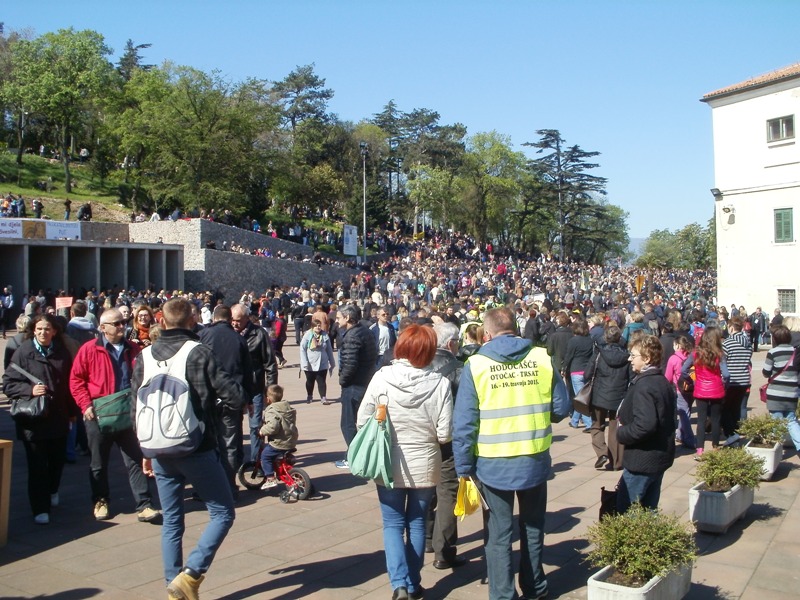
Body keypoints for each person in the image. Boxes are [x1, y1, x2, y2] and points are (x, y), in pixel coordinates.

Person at [453, 308, 569, 600]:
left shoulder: (476, 365)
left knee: (498, 536)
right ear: (516, 330)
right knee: (532, 528)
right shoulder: (541, 358)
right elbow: (561, 408)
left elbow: (465, 422)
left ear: (487, 335)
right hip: (533, 458)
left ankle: (503, 594)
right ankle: (535, 587)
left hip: (493, 463)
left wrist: (463, 466)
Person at [134, 298, 245, 600]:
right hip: (196, 445)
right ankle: (191, 574)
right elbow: (233, 394)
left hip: (157, 447)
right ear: (192, 320)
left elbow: (136, 402)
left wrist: (145, 450)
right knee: (222, 512)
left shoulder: (144, 355)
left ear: (163, 321)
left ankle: (173, 584)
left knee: (172, 519)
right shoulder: (198, 352)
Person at [357, 324, 453, 600]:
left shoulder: (381, 378)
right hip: (424, 462)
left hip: (388, 462)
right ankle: (413, 584)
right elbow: (445, 433)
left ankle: (399, 584)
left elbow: (363, 419)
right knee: (417, 523)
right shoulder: (440, 383)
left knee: (392, 523)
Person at [69, 308, 160, 522]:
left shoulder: (134, 348)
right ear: (103, 328)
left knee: (136, 461)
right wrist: (85, 405)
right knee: (98, 463)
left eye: (123, 322)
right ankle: (101, 500)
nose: (122, 326)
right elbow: (76, 380)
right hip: (99, 414)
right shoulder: (89, 349)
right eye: (116, 324)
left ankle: (144, 504)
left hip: (129, 413)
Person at [2, 314, 77, 524]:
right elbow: (8, 383)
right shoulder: (24, 352)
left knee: (56, 462)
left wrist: (72, 412)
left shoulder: (62, 352)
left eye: (47, 329)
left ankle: (52, 489)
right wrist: (29, 390)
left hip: (58, 417)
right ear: (33, 331)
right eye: (39, 329)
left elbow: (69, 386)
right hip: (33, 421)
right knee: (36, 466)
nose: (43, 333)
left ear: (54, 331)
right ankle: (39, 507)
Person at [615, 335, 676, 512]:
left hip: (643, 460)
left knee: (628, 512)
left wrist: (621, 433)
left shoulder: (646, 385)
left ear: (647, 358)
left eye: (633, 356)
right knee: (648, 511)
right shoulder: (661, 381)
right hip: (657, 457)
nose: (629, 359)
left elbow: (645, 425)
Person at [199, 305, 253, 497]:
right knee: (229, 444)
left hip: (207, 398)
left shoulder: (204, 336)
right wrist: (249, 399)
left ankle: (206, 487)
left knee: (207, 444)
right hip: (232, 398)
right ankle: (229, 487)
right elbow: (248, 372)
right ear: (230, 319)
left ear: (213, 318)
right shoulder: (239, 339)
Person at [426, 322, 465, 570]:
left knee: (425, 490)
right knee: (447, 493)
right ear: (451, 344)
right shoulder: (459, 369)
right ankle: (443, 550)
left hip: (422, 438)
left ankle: (428, 539)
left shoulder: (420, 365)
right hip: (448, 438)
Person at [230, 303, 278, 465]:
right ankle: (236, 459)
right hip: (235, 387)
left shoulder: (258, 334)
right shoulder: (229, 333)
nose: (234, 323)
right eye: (232, 320)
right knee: (234, 425)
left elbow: (270, 363)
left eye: (238, 320)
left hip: (255, 386)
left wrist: (270, 391)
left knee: (255, 425)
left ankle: (256, 460)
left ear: (246, 318)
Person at [334, 304, 377, 469]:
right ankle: (360, 455)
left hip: (354, 385)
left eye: (339, 318)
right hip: (365, 382)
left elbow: (350, 364)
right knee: (360, 423)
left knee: (348, 423)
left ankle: (354, 458)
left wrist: (343, 380)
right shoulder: (365, 331)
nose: (337, 321)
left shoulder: (352, 336)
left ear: (347, 318)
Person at [584, 324, 631, 470]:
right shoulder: (627, 356)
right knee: (614, 427)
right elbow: (631, 377)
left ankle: (602, 452)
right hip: (618, 395)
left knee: (597, 425)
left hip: (600, 395)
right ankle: (616, 461)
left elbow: (587, 374)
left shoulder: (599, 353)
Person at [682, 327, 728, 458]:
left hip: (700, 388)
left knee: (701, 420)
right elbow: (726, 374)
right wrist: (725, 385)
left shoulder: (696, 353)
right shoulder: (719, 353)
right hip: (716, 389)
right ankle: (715, 446)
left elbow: (684, 369)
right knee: (715, 419)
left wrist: (691, 382)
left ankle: (700, 449)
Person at [762, 325, 800, 453]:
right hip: (792, 392)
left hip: (776, 393)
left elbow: (766, 372)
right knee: (791, 420)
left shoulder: (773, 352)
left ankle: (776, 451)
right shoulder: (796, 352)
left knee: (776, 423)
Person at [258, 384, 298, 489]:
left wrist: (262, 431)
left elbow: (273, 427)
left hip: (279, 442)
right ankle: (287, 464)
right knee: (279, 455)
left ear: (268, 399)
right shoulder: (287, 407)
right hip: (291, 440)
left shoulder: (271, 411)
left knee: (265, 456)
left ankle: (270, 478)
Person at [721, 316, 753, 439]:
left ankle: (730, 434)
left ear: (731, 327)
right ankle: (735, 431)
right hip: (744, 379)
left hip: (731, 379)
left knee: (725, 408)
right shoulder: (747, 343)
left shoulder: (728, 343)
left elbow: (723, 361)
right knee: (736, 408)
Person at [664, 334, 696, 449]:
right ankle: (680, 434)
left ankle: (689, 438)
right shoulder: (690, 356)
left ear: (677, 345)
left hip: (679, 388)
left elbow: (668, 377)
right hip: (691, 387)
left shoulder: (673, 358)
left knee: (683, 414)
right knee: (687, 411)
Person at [563, 318, 595, 430]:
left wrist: (564, 367)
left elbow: (569, 356)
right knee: (581, 396)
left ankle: (589, 423)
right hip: (586, 370)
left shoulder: (573, 341)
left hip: (576, 370)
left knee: (580, 399)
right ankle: (574, 421)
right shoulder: (590, 340)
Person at [299, 316, 336, 404]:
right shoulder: (307, 335)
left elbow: (329, 350)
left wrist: (332, 362)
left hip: (322, 362)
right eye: (316, 326)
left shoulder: (324, 335)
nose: (318, 327)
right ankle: (309, 395)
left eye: (319, 326)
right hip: (310, 362)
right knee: (310, 381)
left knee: (322, 381)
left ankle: (323, 397)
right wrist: (304, 362)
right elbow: (302, 349)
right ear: (312, 327)